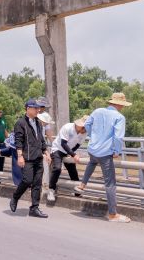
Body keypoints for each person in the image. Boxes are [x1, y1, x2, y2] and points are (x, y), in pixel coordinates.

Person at [77, 93, 132, 223]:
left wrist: (94, 135)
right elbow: (118, 137)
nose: (123, 108)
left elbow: (88, 124)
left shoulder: (97, 111)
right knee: (110, 184)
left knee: (92, 162)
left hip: (92, 149)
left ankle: (82, 184)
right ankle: (113, 214)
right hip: (105, 153)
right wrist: (117, 151)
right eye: (123, 105)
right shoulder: (119, 117)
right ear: (119, 104)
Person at [9, 99, 50, 218]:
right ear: (28, 108)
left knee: (37, 183)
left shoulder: (37, 122)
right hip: (27, 158)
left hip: (38, 157)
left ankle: (34, 208)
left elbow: (41, 139)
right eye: (35, 108)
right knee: (27, 180)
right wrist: (20, 156)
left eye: (38, 108)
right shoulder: (20, 123)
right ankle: (15, 197)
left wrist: (46, 152)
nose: (38, 110)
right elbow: (18, 141)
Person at [47, 115, 88, 202]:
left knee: (73, 171)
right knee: (57, 168)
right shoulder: (67, 127)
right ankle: (51, 190)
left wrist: (71, 153)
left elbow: (77, 145)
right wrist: (73, 155)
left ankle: (78, 193)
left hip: (68, 152)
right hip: (58, 149)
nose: (86, 130)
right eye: (86, 127)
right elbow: (63, 144)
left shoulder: (84, 133)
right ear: (81, 126)